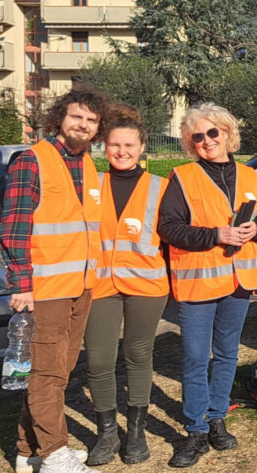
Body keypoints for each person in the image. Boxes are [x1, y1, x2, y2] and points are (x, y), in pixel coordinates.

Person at [0, 85, 108, 473]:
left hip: (80, 286)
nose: (83, 124)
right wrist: (21, 284)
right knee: (46, 372)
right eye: (76, 116)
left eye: (91, 120)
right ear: (59, 118)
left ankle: (27, 449)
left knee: (58, 371)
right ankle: (54, 453)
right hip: (44, 290)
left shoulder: (88, 165)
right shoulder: (32, 160)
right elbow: (15, 227)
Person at [158, 103, 257, 468]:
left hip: (239, 280)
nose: (206, 141)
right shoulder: (182, 177)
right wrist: (215, 234)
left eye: (212, 133)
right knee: (193, 358)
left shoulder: (249, 176)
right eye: (197, 136)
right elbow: (169, 228)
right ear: (190, 143)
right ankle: (195, 430)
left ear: (227, 133)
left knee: (227, 354)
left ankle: (217, 418)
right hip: (198, 283)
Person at [84, 105, 169, 466]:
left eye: (129, 145)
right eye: (114, 144)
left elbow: (177, 234)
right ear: (104, 146)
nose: (121, 151)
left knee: (138, 356)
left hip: (147, 287)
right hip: (100, 286)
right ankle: (106, 433)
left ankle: (134, 433)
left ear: (142, 147)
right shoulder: (91, 186)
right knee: (99, 359)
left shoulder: (161, 187)